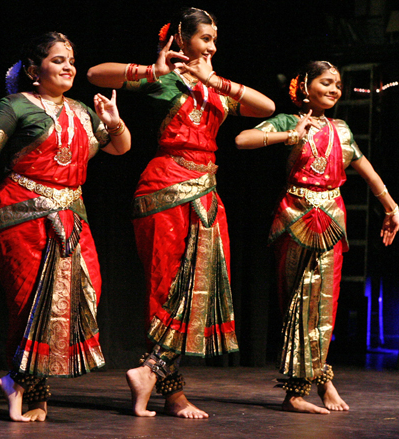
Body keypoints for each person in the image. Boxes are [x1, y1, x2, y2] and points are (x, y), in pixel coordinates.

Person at [0, 32, 131, 422]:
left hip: (72, 216)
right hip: (21, 215)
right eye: (58, 60)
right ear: (33, 71)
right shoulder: (15, 106)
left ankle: (24, 385)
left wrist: (115, 122)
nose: (69, 66)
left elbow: (119, 148)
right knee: (30, 304)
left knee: (80, 297)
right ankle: (26, 388)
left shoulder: (81, 110)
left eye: (71, 60)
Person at [87, 8, 275, 419]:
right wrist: (151, 71)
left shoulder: (217, 88)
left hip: (206, 193)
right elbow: (95, 74)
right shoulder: (163, 81)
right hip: (165, 189)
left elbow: (267, 106)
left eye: (214, 39)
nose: (212, 46)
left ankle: (158, 383)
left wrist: (211, 79)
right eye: (205, 38)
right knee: (168, 289)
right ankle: (160, 382)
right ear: (182, 39)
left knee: (194, 292)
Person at [235, 60, 399, 414]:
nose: (334, 90)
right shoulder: (287, 120)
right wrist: (291, 135)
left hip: (332, 219)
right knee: (297, 303)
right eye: (326, 82)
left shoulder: (341, 129)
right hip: (295, 217)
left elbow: (365, 169)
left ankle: (322, 380)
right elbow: (243, 139)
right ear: (305, 86)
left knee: (324, 304)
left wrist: (390, 206)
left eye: (338, 84)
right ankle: (295, 391)